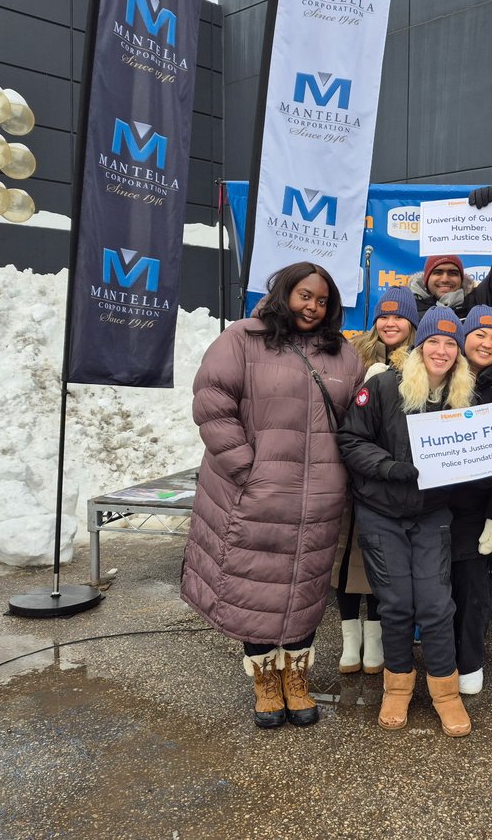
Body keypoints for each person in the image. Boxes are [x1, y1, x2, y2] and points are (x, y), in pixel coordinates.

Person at [182, 262, 364, 729]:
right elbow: (212, 402)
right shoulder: (242, 339)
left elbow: (354, 424)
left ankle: (296, 679)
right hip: (258, 496)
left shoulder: (343, 353)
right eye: (305, 295)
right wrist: (246, 468)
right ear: (285, 293)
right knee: (253, 588)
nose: (313, 307)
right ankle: (266, 683)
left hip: (319, 500)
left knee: (303, 591)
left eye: (323, 300)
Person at [336, 307, 476, 737]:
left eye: (451, 343)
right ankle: (396, 686)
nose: (442, 350)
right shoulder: (381, 386)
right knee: (395, 605)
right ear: (419, 346)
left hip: (432, 513)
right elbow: (350, 439)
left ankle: (445, 693)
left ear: (459, 353)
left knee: (436, 605)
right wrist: (390, 467)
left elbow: (479, 452)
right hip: (381, 511)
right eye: (433, 341)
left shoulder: (464, 399)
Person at [331, 286, 419, 675]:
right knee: (343, 557)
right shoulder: (352, 355)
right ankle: (350, 639)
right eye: (384, 315)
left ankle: (376, 638)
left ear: (412, 322)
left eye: (399, 316)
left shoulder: (420, 359)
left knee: (377, 564)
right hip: (350, 468)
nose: (389, 322)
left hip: (391, 478)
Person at [445, 305, 492, 695]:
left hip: (479, 509)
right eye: (479, 334)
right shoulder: (438, 378)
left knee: (472, 588)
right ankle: (439, 659)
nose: (487, 342)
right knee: (437, 590)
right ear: (463, 337)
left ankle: (469, 662)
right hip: (434, 505)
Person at [406, 187, 492, 318]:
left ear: (461, 279)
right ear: (426, 278)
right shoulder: (407, 308)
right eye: (437, 272)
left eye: (453, 273)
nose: (445, 279)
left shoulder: (478, 303)